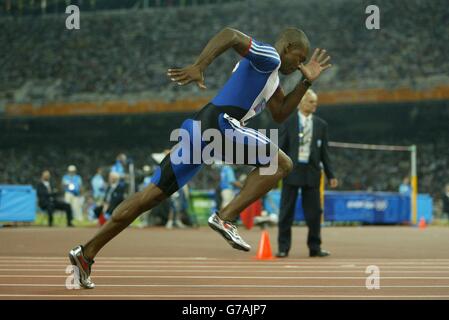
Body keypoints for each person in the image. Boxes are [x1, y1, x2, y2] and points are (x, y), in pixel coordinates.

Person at [69, 27, 332, 288]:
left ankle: (86, 252)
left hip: (200, 129)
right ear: (287, 48)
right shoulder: (270, 57)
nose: (300, 65)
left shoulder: (271, 78)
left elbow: (281, 113)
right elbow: (230, 34)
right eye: (299, 58)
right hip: (220, 123)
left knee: (148, 198)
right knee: (281, 163)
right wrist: (199, 65)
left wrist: (306, 82)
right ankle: (225, 218)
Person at [277, 89, 338, 258]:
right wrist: (274, 172)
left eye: (315, 102)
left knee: (314, 213)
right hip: (291, 172)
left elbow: (325, 152)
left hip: (312, 173)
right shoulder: (288, 122)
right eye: (311, 102)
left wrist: (331, 175)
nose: (315, 105)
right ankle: (283, 248)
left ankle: (315, 247)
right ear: (302, 102)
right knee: (286, 212)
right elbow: (280, 149)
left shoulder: (321, 125)